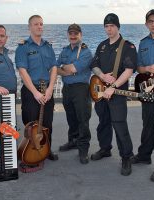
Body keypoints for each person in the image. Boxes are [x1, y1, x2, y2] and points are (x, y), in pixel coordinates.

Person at [91, 13, 137, 175]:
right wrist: (102, 76)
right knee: (103, 122)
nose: (109, 29)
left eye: (112, 26)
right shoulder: (102, 45)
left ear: (118, 26)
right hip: (101, 92)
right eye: (106, 26)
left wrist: (113, 86)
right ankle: (105, 149)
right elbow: (94, 65)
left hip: (116, 93)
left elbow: (129, 71)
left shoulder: (128, 46)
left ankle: (126, 156)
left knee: (119, 124)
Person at [15, 15, 58, 161]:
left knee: (47, 124)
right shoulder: (23, 47)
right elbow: (22, 71)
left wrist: (51, 88)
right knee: (31, 124)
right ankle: (30, 152)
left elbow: (53, 67)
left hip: (46, 90)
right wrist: (35, 93)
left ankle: (47, 150)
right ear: (29, 27)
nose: (39, 26)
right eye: (35, 24)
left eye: (41, 24)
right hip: (31, 91)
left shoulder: (48, 46)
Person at [57, 24, 92, 164]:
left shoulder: (85, 52)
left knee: (82, 119)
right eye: (70, 33)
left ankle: (83, 149)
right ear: (67, 35)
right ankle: (73, 141)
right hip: (67, 88)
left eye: (75, 33)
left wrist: (66, 68)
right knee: (71, 117)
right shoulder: (65, 50)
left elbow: (71, 68)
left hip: (81, 89)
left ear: (80, 35)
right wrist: (67, 70)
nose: (73, 36)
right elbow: (55, 67)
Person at [130, 9, 154, 182]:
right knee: (147, 124)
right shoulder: (143, 43)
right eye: (150, 21)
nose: (153, 23)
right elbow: (138, 67)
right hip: (149, 91)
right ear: (146, 24)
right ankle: (144, 155)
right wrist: (147, 69)